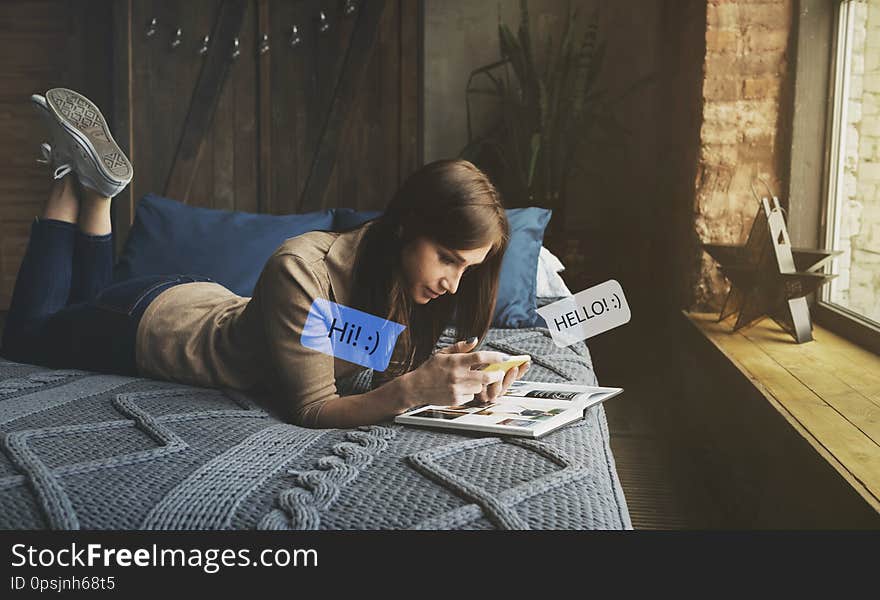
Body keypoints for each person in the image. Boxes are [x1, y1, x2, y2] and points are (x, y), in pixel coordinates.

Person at [0, 88, 531, 428]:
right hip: (151, 328)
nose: (454, 284)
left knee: (82, 303)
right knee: (26, 335)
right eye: (447, 259)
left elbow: (359, 350)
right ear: (407, 227)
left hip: (201, 300)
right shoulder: (302, 270)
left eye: (467, 267)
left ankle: (99, 193)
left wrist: (462, 379)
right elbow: (312, 407)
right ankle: (71, 184)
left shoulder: (396, 280)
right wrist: (413, 390)